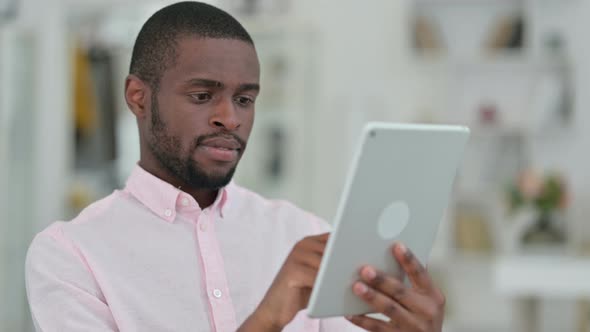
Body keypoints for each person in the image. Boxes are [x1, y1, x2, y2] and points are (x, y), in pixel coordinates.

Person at [25, 2, 446, 331]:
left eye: (245, 99)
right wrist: (267, 320)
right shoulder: (70, 256)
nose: (231, 118)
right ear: (138, 97)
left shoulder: (303, 234)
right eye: (203, 95)